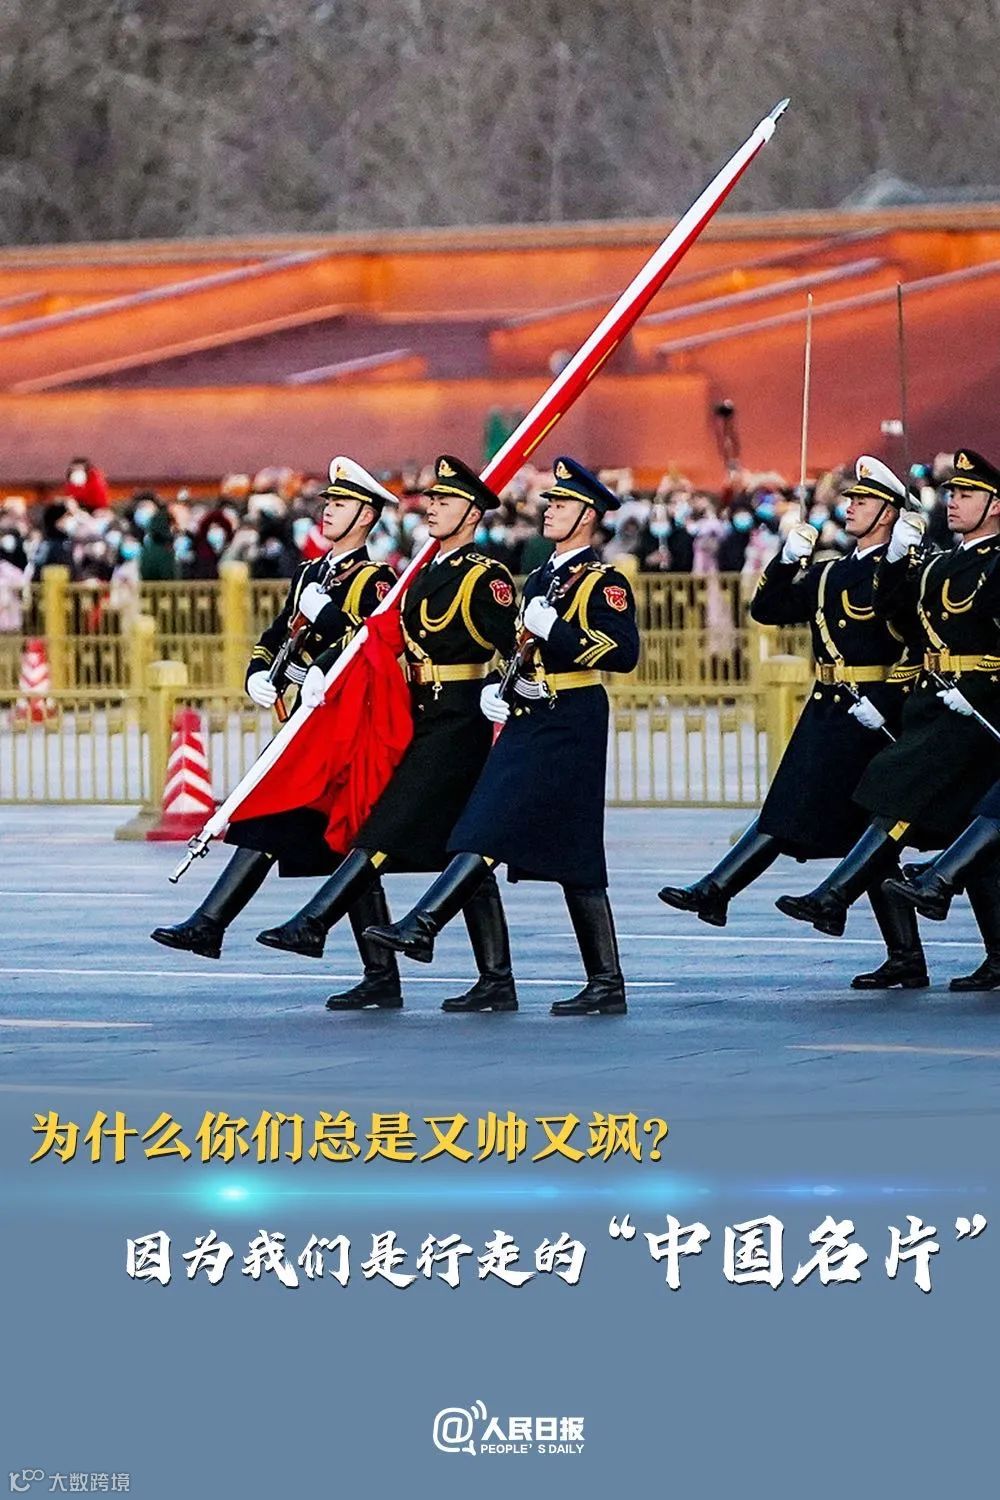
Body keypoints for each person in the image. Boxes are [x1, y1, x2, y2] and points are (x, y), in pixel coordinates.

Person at [362, 456, 640, 1016]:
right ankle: (588, 980)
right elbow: (518, 650)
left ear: (587, 516)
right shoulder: (540, 577)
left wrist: (555, 630)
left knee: (538, 838)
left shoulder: (603, 581)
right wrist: (499, 685)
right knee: (510, 832)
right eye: (550, 502)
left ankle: (426, 924)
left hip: (572, 717)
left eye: (561, 504)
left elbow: (622, 651)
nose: (549, 510)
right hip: (530, 713)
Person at [254, 454, 520, 1014]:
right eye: (432, 498)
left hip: (461, 717)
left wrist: (506, 688)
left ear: (472, 514)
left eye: (445, 500)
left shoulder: (485, 576)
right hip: (422, 713)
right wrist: (319, 661)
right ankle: (490, 979)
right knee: (462, 848)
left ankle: (315, 921)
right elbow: (378, 638)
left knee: (385, 826)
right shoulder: (421, 572)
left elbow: (516, 646)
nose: (432, 507)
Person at [659, 457, 925, 987]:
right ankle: (900, 954)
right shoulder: (830, 571)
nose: (851, 508)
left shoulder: (902, 571)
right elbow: (769, 609)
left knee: (855, 824)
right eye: (852, 500)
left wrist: (888, 698)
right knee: (820, 816)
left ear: (889, 513)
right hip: (827, 706)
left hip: (871, 709)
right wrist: (786, 561)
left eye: (864, 502)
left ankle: (722, 890)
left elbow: (919, 642)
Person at [151, 457, 406, 1009]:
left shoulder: (377, 580)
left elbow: (376, 646)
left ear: (365, 516)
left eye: (340, 504)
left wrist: (330, 623)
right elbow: (275, 635)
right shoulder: (311, 573)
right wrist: (260, 672)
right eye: (328, 503)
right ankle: (214, 925)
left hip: (343, 727)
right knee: (294, 826)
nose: (328, 511)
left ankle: (212, 924)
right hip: (305, 723)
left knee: (317, 829)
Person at [776, 449, 1000, 989]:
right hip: (939, 700)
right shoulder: (941, 563)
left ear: (996, 505)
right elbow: (898, 619)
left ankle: (842, 895)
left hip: (982, 705)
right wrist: (899, 561)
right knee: (970, 823)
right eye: (951, 492)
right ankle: (974, 942)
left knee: (907, 788)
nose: (953, 502)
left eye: (966, 494)